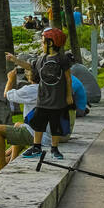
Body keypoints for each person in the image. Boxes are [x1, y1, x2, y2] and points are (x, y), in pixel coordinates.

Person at [6, 28, 74, 160]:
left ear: (51, 43)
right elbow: (30, 67)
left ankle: (54, 149)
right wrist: (15, 60)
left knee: (55, 125)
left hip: (57, 100)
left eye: (43, 42)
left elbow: (68, 78)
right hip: (42, 99)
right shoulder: (41, 59)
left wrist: (68, 95)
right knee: (38, 123)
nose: (41, 45)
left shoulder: (62, 59)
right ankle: (36, 147)